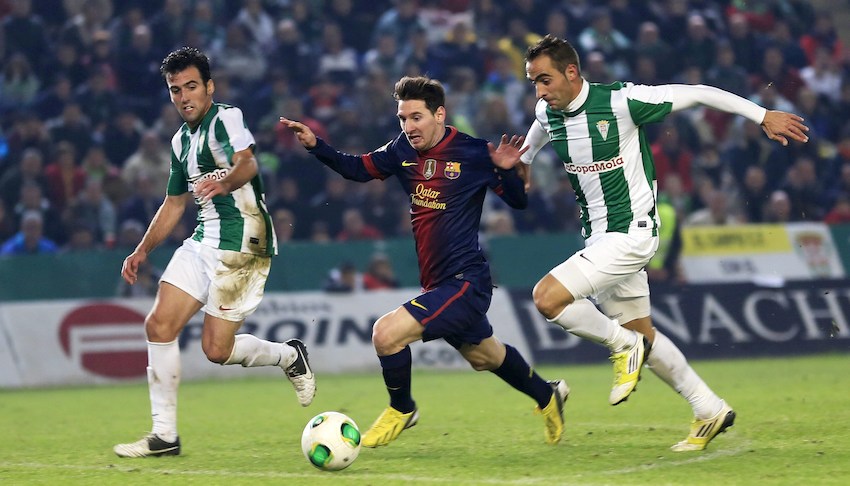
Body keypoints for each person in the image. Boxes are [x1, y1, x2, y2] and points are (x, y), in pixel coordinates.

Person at [508, 35, 809, 452]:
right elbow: (540, 128)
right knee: (643, 334)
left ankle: (623, 346)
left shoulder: (622, 102)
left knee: (547, 298)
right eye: (533, 82)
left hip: (632, 234)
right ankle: (709, 409)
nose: (539, 91)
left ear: (571, 72)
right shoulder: (547, 111)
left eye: (545, 80)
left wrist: (761, 115)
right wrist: (524, 159)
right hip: (599, 238)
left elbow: (699, 93)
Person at [280, 75, 569, 447]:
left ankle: (402, 408)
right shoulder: (402, 149)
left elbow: (518, 200)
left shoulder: (473, 151)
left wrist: (506, 169)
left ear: (439, 115)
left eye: (416, 117)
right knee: (485, 356)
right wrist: (316, 145)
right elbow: (358, 169)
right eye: (403, 118)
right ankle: (547, 395)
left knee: (386, 334)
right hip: (437, 283)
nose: (408, 126)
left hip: (466, 282)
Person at [113, 47, 316, 458]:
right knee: (158, 326)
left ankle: (289, 356)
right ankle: (164, 436)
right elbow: (174, 203)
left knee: (216, 351)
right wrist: (141, 250)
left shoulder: (227, 118)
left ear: (209, 87)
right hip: (203, 239)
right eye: (175, 90)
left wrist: (224, 184)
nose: (184, 97)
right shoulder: (180, 141)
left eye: (191, 87)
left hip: (244, 243)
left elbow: (248, 164)